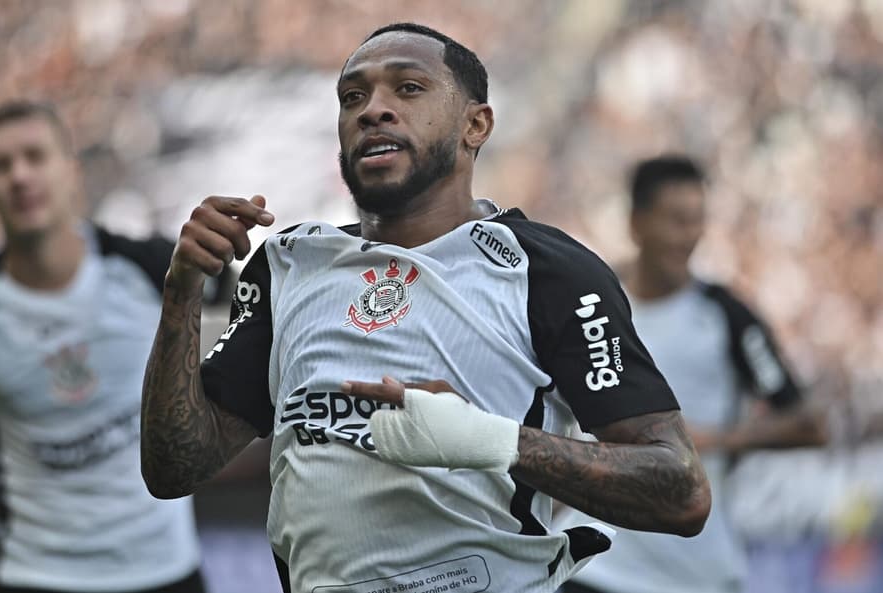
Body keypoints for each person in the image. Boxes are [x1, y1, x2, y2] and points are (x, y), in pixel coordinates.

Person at [141, 23, 711, 593]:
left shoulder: (549, 271)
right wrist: (181, 295)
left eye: (408, 89)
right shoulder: (292, 263)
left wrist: (487, 440)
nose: (373, 111)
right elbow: (174, 468)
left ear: (476, 124)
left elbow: (681, 492)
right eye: (352, 97)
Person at [0, 101, 204, 593]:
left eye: (35, 156)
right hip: (35, 575)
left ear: (71, 172)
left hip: (165, 571)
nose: (19, 176)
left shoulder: (153, 269)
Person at [557, 155, 827, 593]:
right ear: (636, 223)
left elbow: (810, 425)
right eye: (677, 220)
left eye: (697, 220)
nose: (690, 236)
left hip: (695, 570)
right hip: (597, 565)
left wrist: (713, 441)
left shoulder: (726, 316)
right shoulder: (591, 308)